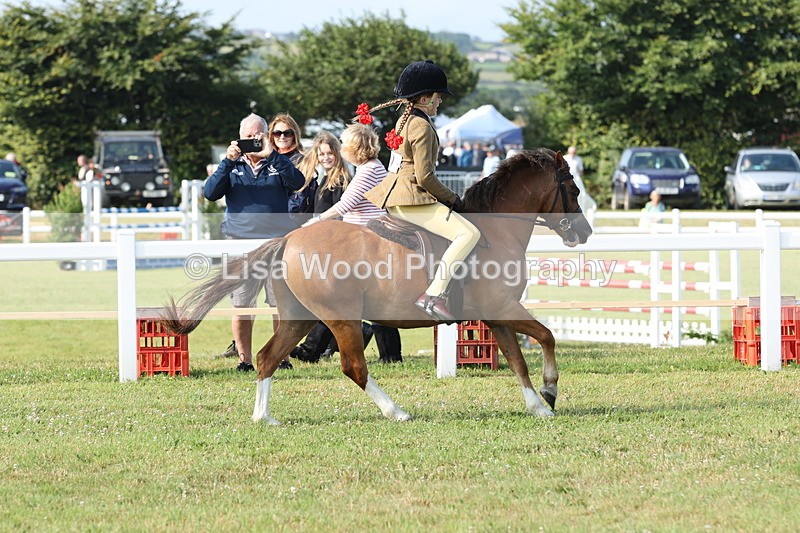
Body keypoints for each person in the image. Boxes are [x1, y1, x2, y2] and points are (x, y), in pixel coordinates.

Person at [363, 59, 481, 321]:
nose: (440, 102)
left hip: (395, 195)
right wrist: (453, 199)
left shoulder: (405, 121)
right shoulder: (422, 125)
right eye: (438, 97)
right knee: (468, 234)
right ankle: (433, 295)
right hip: (410, 196)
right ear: (426, 98)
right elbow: (425, 177)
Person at [205, 113, 305, 372]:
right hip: (240, 244)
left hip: (275, 244)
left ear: (266, 136)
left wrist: (272, 155)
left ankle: (281, 356)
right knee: (241, 304)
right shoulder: (232, 166)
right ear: (239, 137)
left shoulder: (278, 162)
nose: (252, 140)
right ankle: (244, 359)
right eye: (248, 136)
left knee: (279, 304)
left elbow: (298, 182)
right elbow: (210, 192)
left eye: (257, 135)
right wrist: (228, 161)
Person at [302, 123, 403, 362]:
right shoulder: (371, 167)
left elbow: (344, 206)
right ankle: (390, 354)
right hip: (366, 240)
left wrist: (312, 223)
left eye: (345, 144)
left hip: (365, 242)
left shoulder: (368, 171)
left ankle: (313, 349)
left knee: (336, 295)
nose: (342, 148)